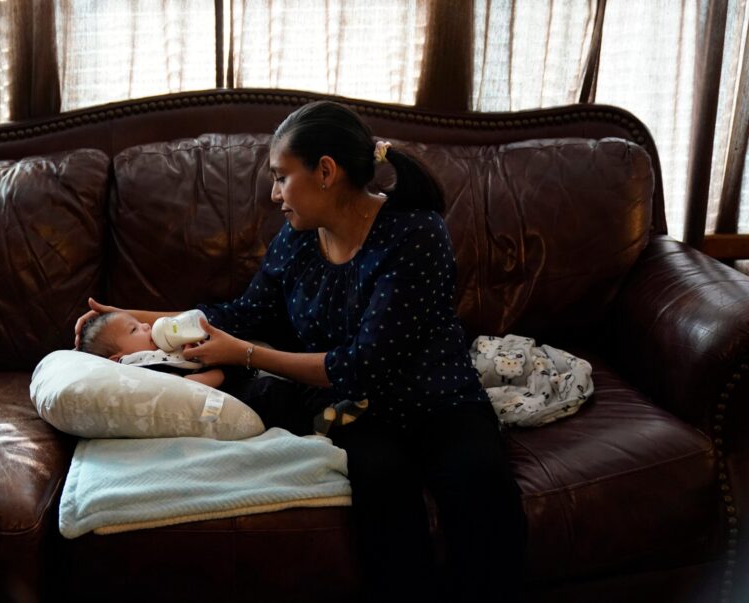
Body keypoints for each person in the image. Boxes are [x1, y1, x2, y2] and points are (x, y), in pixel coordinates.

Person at [74, 101, 528, 602]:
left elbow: (362, 363)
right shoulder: (296, 239)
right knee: (382, 484)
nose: (274, 194)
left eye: (281, 177)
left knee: (480, 485)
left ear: (326, 172)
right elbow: (243, 313)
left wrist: (246, 355)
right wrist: (128, 317)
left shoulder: (415, 234)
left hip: (439, 401)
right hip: (358, 411)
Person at [77, 310, 225, 388]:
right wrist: (218, 374)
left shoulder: (161, 349)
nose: (147, 325)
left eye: (139, 322)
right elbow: (179, 386)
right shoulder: (142, 367)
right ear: (119, 360)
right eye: (134, 329)